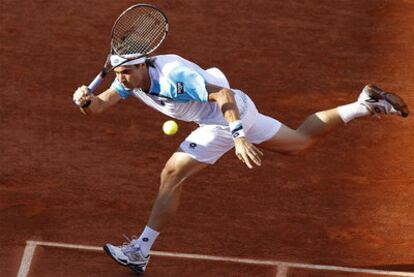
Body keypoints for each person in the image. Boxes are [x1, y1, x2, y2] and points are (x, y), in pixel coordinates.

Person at [73, 53, 409, 274]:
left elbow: (223, 96)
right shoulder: (128, 79)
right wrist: (85, 102)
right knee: (298, 142)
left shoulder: (175, 76)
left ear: (143, 64)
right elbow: (98, 108)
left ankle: (140, 251)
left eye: (127, 72)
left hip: (225, 117)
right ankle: (364, 104)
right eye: (118, 73)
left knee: (171, 174)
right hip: (237, 110)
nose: (123, 79)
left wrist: (237, 136)